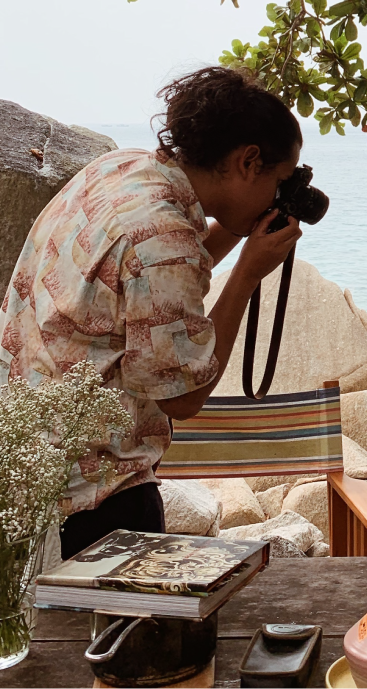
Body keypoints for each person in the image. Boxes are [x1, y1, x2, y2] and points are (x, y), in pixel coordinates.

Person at [0, 67, 303, 558]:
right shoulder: (162, 239)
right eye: (280, 181)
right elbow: (182, 397)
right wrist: (247, 275)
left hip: (30, 469)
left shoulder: (121, 169)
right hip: (93, 499)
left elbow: (157, 278)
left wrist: (245, 231)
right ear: (249, 161)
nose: (279, 195)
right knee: (120, 636)